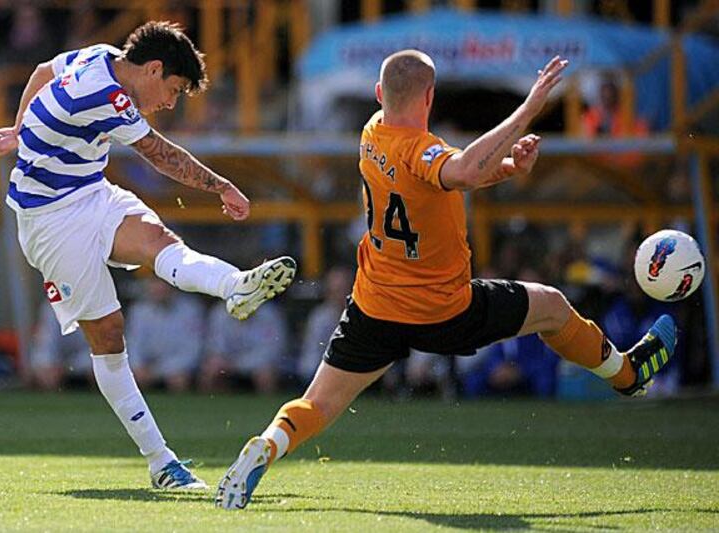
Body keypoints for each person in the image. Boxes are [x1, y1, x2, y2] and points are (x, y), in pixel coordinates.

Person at [215, 50, 677, 510]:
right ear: (431, 96)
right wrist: (529, 107)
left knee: (317, 405)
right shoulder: (421, 150)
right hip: (443, 309)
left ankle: (268, 445)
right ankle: (627, 375)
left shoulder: (372, 133)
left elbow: (449, 180)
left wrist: (509, 169)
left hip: (374, 306)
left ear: (379, 94)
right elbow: (456, 171)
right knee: (553, 307)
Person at [0, 21, 297, 491]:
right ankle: (161, 461)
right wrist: (219, 185)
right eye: (174, 90)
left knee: (161, 243)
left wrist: (20, 131)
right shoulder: (109, 96)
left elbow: (43, 69)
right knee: (108, 336)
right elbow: (160, 154)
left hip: (91, 192)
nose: (170, 102)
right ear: (154, 68)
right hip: (50, 223)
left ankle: (235, 286)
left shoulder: (97, 54)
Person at [125, 278, 205, 392]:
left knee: (179, 380)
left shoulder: (191, 310)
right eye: (154, 282)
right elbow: (133, 345)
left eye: (162, 283)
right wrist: (138, 367)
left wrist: (161, 370)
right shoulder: (138, 311)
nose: (159, 288)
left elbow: (192, 350)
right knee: (132, 378)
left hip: (177, 369)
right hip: (145, 369)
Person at [201, 299, 286, 393]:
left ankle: (268, 403)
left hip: (258, 364)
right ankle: (215, 401)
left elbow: (271, 351)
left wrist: (240, 365)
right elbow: (216, 346)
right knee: (212, 368)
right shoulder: (220, 312)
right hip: (228, 362)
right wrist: (227, 362)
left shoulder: (270, 314)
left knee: (266, 375)